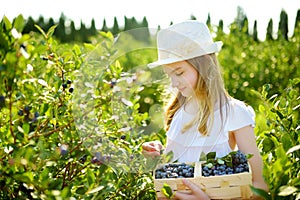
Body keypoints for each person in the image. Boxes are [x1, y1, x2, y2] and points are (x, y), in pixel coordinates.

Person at [142, 20, 268, 199]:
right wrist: (158, 154)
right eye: (168, 74)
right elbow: (177, 165)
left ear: (205, 65)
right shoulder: (177, 111)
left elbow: (260, 186)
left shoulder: (233, 113)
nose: (173, 83)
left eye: (179, 73)